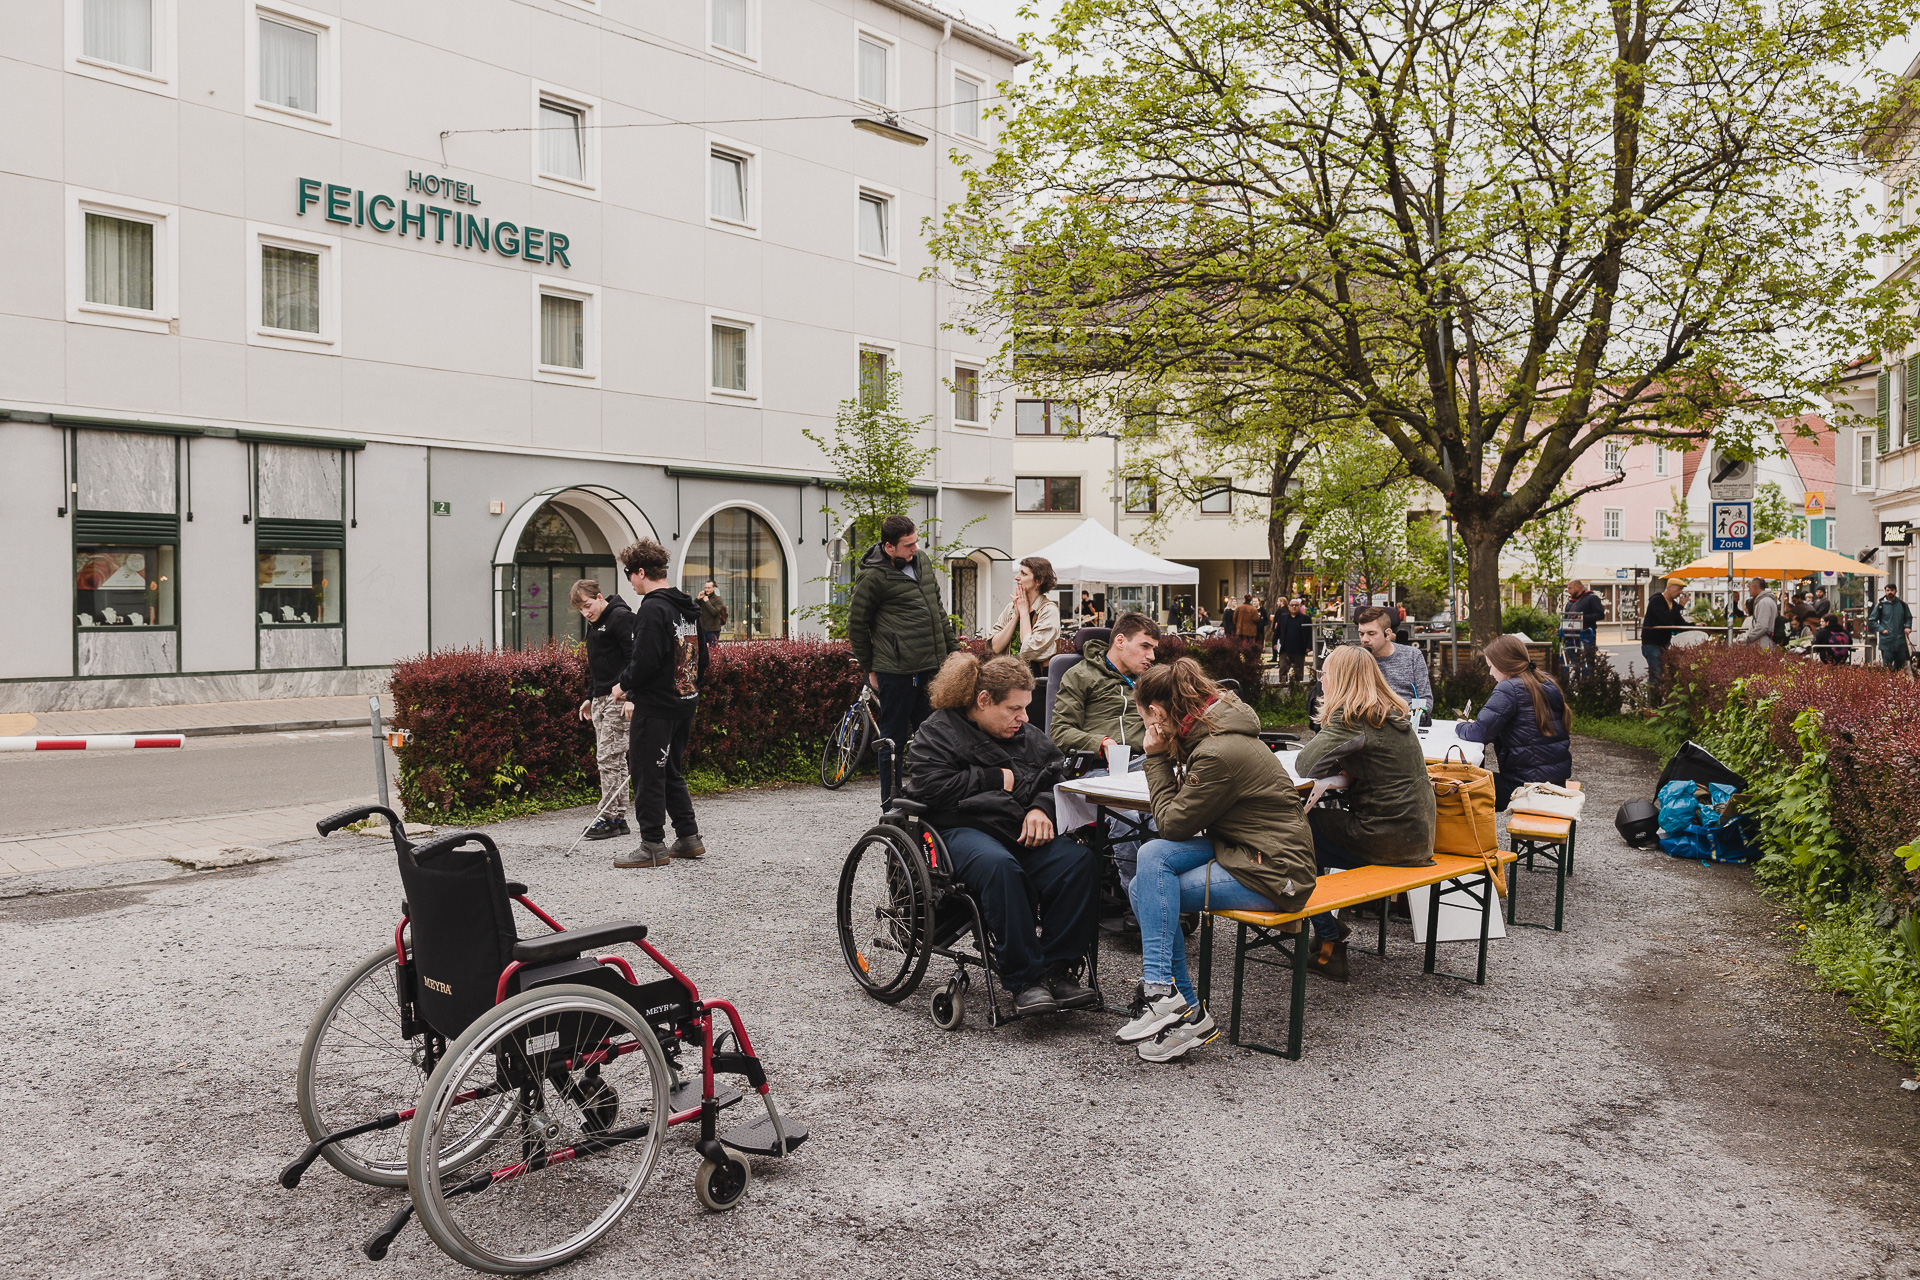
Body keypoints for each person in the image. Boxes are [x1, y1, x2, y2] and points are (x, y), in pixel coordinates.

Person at [1119, 657, 1318, 1062]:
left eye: (1144, 720)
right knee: (1150, 861)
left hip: (1276, 871)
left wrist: (1155, 759)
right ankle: (1178, 1006)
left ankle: (1168, 998)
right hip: (1244, 848)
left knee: (1147, 886)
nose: (1146, 729)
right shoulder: (1214, 732)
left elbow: (1172, 824)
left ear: (1157, 713)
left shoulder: (1216, 752)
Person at [903, 653, 1099, 1017]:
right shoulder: (938, 731)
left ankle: (1058, 969)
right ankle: (1025, 980)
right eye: (1014, 709)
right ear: (983, 700)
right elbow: (929, 787)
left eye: (1025, 708)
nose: (1024, 718)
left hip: (1015, 828)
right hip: (957, 830)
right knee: (1000, 867)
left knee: (1077, 862)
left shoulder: (1026, 735)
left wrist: (1042, 808)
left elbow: (1057, 775)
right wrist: (992, 778)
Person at [1293, 645, 1436, 982]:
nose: (1321, 681)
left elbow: (1305, 765)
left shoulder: (1352, 717)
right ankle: (1324, 930)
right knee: (1312, 832)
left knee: (1294, 833)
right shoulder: (1391, 713)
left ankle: (1328, 936)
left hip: (1386, 838)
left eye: (1324, 674)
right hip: (1416, 835)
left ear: (1340, 679)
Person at [608, 539, 708, 869]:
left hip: (656, 707)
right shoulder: (686, 607)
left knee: (647, 773)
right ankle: (688, 837)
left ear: (640, 572)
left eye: (628, 574)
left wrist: (623, 684)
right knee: (670, 769)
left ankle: (652, 845)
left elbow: (645, 661)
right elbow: (703, 659)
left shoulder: (652, 609)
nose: (629, 582)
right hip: (685, 700)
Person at [847, 514, 962, 787]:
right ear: (889, 547)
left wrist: (954, 650)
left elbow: (937, 610)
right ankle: (891, 804)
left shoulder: (922, 561)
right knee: (892, 741)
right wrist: (869, 667)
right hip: (896, 672)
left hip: (931, 668)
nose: (915, 549)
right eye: (908, 545)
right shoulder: (872, 577)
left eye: (915, 542)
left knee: (935, 739)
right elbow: (856, 625)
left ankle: (930, 798)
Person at [1050, 611, 1161, 883]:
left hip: (1146, 764)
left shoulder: (1150, 681)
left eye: (1154, 649)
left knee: (1168, 815)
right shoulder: (1081, 675)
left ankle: (1162, 888)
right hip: (1099, 770)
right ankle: (1138, 895)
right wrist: (1102, 743)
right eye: (1145, 646)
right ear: (1120, 641)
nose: (1151, 656)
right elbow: (1059, 731)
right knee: (1127, 815)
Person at [1453, 635, 1572, 811]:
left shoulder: (1509, 689)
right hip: (1553, 783)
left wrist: (1460, 726)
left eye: (1491, 666)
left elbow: (1479, 733)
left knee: (1452, 786)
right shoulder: (1545, 682)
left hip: (1526, 788)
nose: (1490, 673)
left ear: (1502, 664)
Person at [572, 580, 639, 841]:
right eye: (581, 609)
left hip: (618, 698)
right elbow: (597, 665)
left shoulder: (621, 618)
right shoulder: (595, 624)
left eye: (588, 605)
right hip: (600, 699)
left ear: (600, 597)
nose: (585, 612)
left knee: (608, 758)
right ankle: (618, 818)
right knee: (615, 760)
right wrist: (590, 697)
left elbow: (636, 659)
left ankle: (609, 817)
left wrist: (631, 695)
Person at [989, 556, 1063, 728]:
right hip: (1008, 680)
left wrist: (1023, 613)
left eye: (1023, 573)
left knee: (1031, 729)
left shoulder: (1048, 611)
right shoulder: (1011, 607)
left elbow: (1028, 649)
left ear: (1038, 580)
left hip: (1036, 683)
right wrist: (1016, 615)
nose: (1017, 577)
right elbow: (995, 646)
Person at [1354, 605, 1433, 710]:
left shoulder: (1412, 656)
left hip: (1407, 715)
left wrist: (1409, 714)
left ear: (1387, 634)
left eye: (1371, 634)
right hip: (1370, 716)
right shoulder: (1356, 659)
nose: (1364, 639)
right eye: (1361, 634)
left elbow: (1425, 701)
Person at [1640, 577, 1689, 688]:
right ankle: (1654, 698)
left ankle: (1662, 695)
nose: (1680, 593)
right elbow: (1665, 619)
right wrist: (1680, 606)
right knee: (1656, 674)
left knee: (1667, 672)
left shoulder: (1673, 605)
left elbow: (1679, 623)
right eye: (1679, 589)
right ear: (1669, 587)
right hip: (1652, 643)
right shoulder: (1657, 600)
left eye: (1682, 590)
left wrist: (1696, 625)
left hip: (1664, 643)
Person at [1560, 580, 1605, 669]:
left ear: (1577, 587)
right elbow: (1566, 618)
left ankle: (1588, 676)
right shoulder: (1570, 603)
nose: (1568, 591)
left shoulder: (1591, 598)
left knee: (1588, 661)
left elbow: (1600, 615)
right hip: (1570, 637)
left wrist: (1583, 617)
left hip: (1586, 635)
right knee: (1574, 663)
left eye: (1570, 588)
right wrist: (1565, 637)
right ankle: (1576, 674)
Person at [1871, 585, 1913, 672]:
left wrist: (1908, 626)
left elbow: (1908, 617)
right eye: (1888, 590)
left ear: (1896, 591)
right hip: (1886, 641)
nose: (1890, 592)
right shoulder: (1880, 606)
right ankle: (1889, 679)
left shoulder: (1902, 605)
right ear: (1885, 591)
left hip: (1900, 641)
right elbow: (1872, 620)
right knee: (1887, 667)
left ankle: (1895, 678)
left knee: (1900, 665)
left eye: (1892, 590)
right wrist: (1881, 629)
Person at [1273, 598, 1312, 685]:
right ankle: (1282, 685)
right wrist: (1275, 643)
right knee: (1283, 668)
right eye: (1292, 605)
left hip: (1299, 649)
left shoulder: (1305, 618)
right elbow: (1277, 631)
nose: (1294, 607)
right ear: (1288, 607)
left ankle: (1297, 688)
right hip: (1285, 649)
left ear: (1300, 607)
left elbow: (1310, 634)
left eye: (1296, 605)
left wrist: (1309, 647)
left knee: (1298, 671)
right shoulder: (1283, 617)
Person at [1735, 578, 1779, 649]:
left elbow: (1762, 626)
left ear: (1754, 587)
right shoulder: (1766, 601)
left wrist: (1749, 638)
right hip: (1765, 642)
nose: (1748, 590)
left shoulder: (1764, 602)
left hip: (1763, 644)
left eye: (1749, 587)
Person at [695, 579, 728, 648]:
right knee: (701, 650)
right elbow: (693, 608)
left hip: (713, 630)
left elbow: (714, 612)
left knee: (713, 650)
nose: (707, 590)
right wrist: (697, 599)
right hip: (702, 629)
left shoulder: (718, 599)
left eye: (709, 588)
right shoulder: (702, 598)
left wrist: (707, 602)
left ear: (714, 588)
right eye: (705, 588)